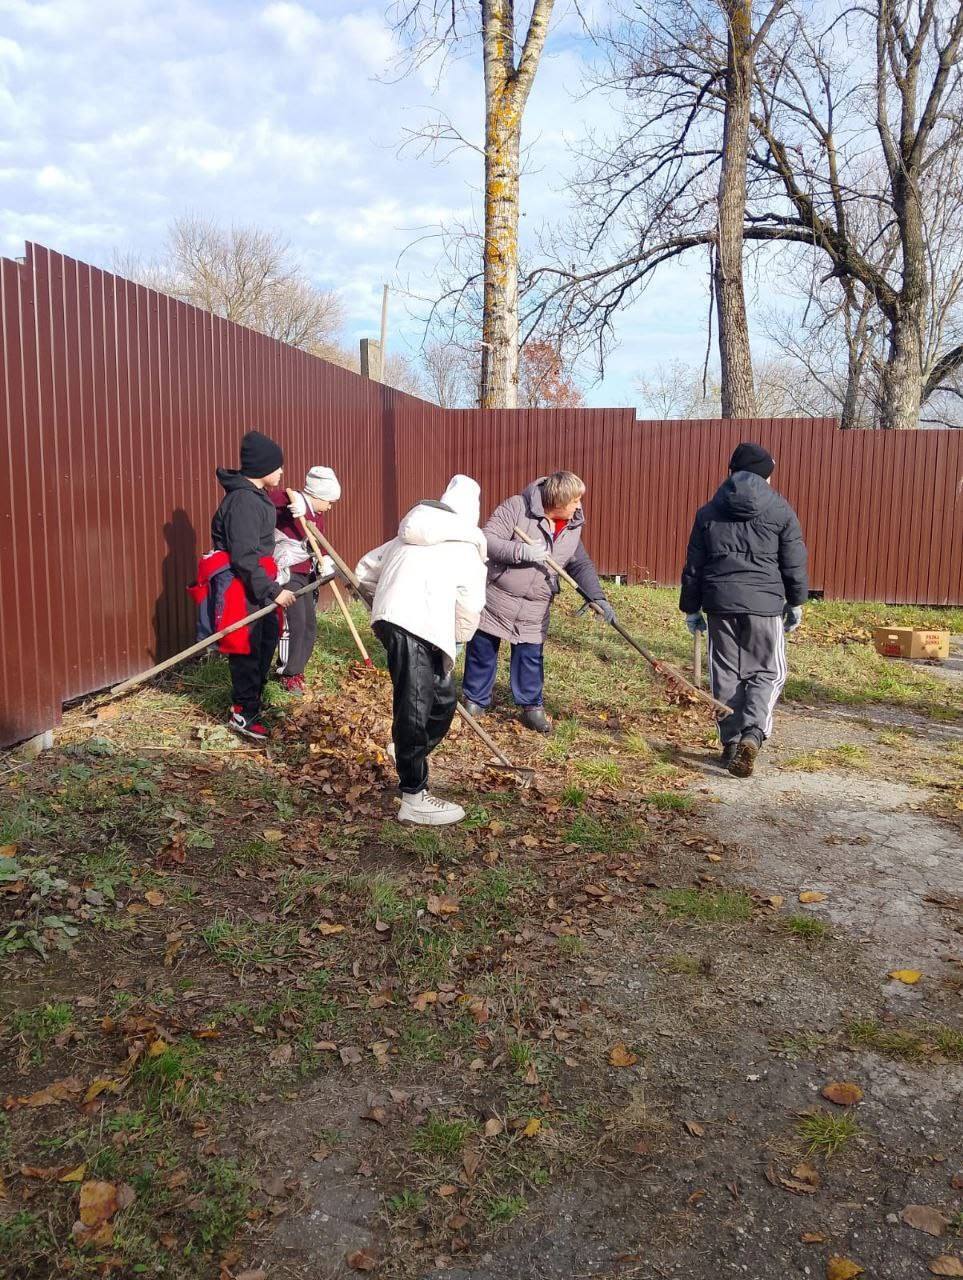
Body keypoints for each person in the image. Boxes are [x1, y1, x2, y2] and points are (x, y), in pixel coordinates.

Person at [355, 475, 487, 826]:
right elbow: (471, 606)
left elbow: (365, 569)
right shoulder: (468, 545)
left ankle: (406, 753)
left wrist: (381, 604)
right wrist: (455, 640)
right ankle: (413, 795)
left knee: (441, 702)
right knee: (414, 705)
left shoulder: (407, 533)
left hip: (407, 626)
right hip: (411, 626)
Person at [680, 442, 808, 778]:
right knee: (767, 671)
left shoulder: (708, 511)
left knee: (726, 673)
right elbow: (794, 561)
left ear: (732, 471)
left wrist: (691, 609)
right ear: (766, 475)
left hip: (720, 604)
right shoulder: (780, 510)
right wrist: (796, 601)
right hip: (765, 605)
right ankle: (753, 733)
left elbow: (694, 565)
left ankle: (731, 743)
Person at [461, 471, 616, 735]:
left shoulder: (572, 525)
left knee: (530, 657)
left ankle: (531, 707)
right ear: (558, 500)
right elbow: (486, 540)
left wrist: (596, 596)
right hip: (498, 595)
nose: (579, 505)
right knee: (483, 649)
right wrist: (522, 551)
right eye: (575, 500)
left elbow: (579, 563)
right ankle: (475, 700)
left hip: (536, 604)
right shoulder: (517, 507)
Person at [206, 430, 296, 741]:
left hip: (257, 585)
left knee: (266, 640)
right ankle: (243, 712)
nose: (283, 471)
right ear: (262, 468)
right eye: (278, 466)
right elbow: (244, 556)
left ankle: (253, 703)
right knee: (246, 648)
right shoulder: (243, 501)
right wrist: (272, 591)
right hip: (242, 589)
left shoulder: (255, 495)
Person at [269, 466, 341, 695]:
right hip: (288, 571)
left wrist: (325, 561)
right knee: (295, 622)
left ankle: (298, 669)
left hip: (306, 573)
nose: (330, 506)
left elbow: (317, 544)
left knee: (309, 624)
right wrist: (292, 504)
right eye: (329, 501)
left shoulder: (317, 517)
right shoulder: (292, 501)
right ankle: (286, 672)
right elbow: (268, 499)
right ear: (317, 496)